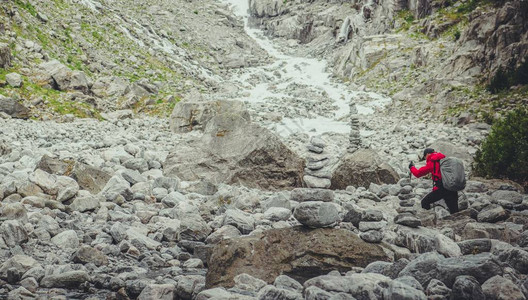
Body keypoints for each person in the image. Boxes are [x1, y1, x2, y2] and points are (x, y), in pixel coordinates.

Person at [409, 148, 459, 214]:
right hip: (452, 186)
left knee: (425, 202)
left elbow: (418, 174)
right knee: (454, 211)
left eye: (425, 157)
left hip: (442, 188)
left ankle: (428, 219)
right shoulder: (444, 159)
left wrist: (411, 167)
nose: (425, 159)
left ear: (427, 154)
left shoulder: (433, 161)